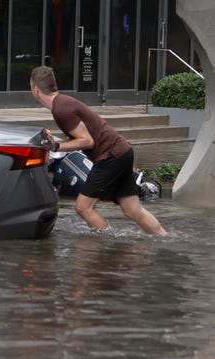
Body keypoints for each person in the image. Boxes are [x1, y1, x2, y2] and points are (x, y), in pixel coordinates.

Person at [29, 65, 166, 235]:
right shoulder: (63, 103)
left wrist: (56, 146)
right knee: (132, 210)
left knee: (83, 207)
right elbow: (84, 136)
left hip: (111, 156)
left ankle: (107, 245)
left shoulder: (60, 109)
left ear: (36, 89)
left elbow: (87, 141)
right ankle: (164, 238)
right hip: (122, 151)